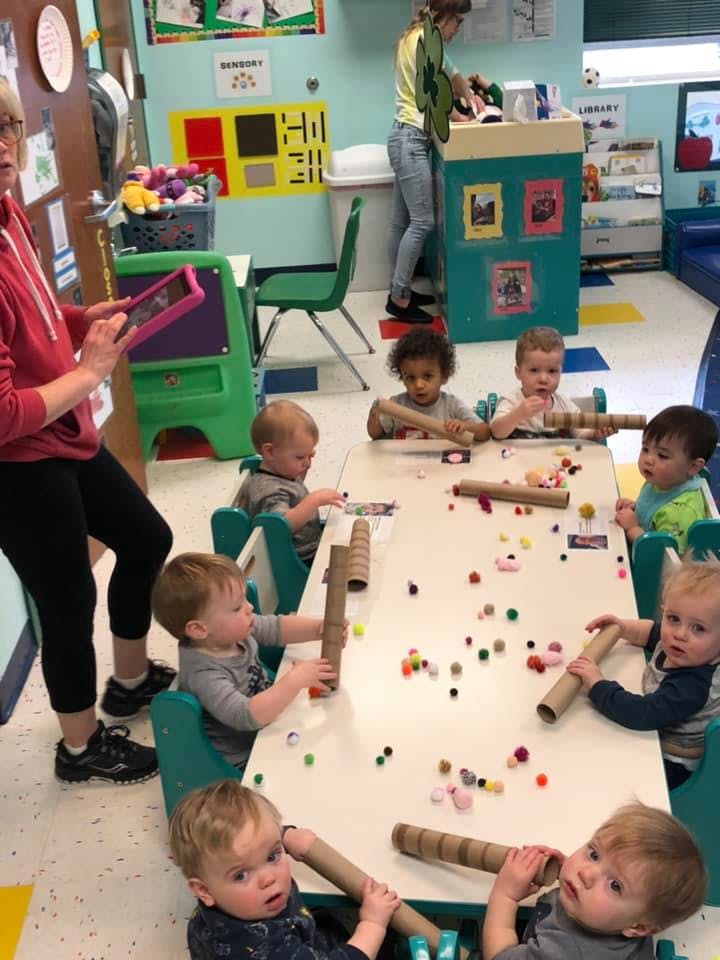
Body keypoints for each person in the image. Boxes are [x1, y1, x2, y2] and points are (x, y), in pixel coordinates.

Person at [0, 79, 174, 785]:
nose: (4, 147)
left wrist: (81, 320)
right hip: (17, 464)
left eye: (6, 129)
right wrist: (92, 371)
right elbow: (6, 413)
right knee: (69, 598)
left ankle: (128, 683)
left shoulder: (8, 213)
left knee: (146, 537)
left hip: (62, 435)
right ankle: (79, 749)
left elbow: (34, 320)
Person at [169, 779, 400, 960]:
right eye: (240, 875)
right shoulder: (262, 949)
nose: (269, 878)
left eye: (271, 856)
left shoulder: (233, 894)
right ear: (203, 891)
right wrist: (372, 924)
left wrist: (286, 835)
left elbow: (250, 842)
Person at [152, 552, 344, 770]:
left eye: (244, 598)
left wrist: (319, 628)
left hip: (268, 728)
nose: (249, 607)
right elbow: (246, 716)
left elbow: (276, 628)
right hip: (246, 759)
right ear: (199, 629)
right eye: (236, 607)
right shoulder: (203, 674)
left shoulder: (232, 632)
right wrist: (294, 681)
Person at [566, 558, 720, 789]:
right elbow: (649, 631)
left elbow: (642, 714)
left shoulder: (693, 685)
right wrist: (621, 627)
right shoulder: (683, 647)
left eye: (698, 628)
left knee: (620, 783)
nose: (680, 633)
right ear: (664, 612)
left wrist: (597, 684)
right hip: (655, 730)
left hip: (674, 760)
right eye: (673, 618)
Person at [482, 802, 706, 960]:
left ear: (638, 927)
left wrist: (505, 896)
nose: (586, 874)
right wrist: (563, 867)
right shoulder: (622, 917)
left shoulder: (565, 952)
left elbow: (499, 956)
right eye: (594, 854)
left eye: (615, 885)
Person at [387, 0, 484, 324]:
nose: (459, 28)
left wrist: (468, 98)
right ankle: (398, 298)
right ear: (444, 18)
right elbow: (438, 95)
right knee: (422, 223)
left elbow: (449, 81)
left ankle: (400, 288)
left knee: (402, 223)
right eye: (457, 21)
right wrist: (467, 112)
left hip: (403, 137)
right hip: (411, 140)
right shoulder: (427, 44)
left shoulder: (414, 37)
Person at [246, 400, 344, 567]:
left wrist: (300, 466)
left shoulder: (282, 471)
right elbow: (281, 525)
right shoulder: (268, 489)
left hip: (311, 545)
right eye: (300, 457)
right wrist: (313, 501)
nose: (307, 463)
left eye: (310, 455)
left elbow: (294, 491)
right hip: (300, 560)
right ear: (269, 452)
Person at [614, 405, 718, 555]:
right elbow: (654, 514)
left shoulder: (678, 512)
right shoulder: (662, 481)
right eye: (645, 449)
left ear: (693, 467)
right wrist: (636, 508)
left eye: (662, 456)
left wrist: (632, 528)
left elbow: (666, 559)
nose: (648, 459)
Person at [490, 326, 614, 441]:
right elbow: (496, 432)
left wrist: (594, 434)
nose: (543, 379)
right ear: (518, 372)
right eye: (534, 370)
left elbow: (580, 435)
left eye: (552, 371)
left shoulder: (565, 406)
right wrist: (518, 414)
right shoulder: (511, 401)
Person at [367, 327, 489, 441]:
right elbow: (375, 435)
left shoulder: (451, 406)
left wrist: (465, 427)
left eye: (427, 376)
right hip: (404, 462)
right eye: (410, 377)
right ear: (402, 378)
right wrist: (374, 415)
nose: (419, 385)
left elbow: (485, 432)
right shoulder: (397, 405)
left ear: (444, 376)